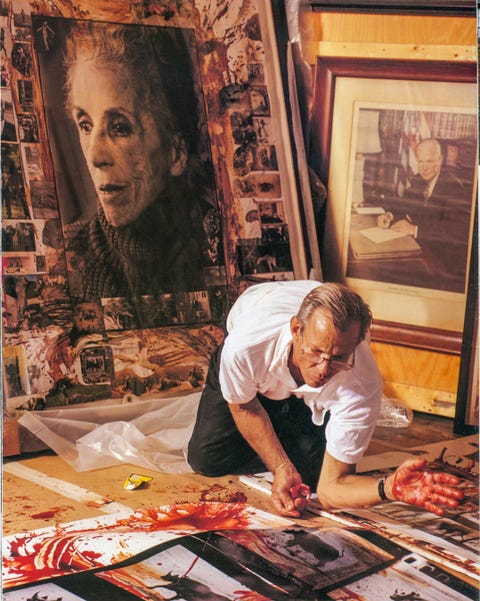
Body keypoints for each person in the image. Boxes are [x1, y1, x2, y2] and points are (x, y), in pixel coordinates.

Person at [188, 280, 464, 517]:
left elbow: (333, 489)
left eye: (339, 358)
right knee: (207, 459)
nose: (323, 370)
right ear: (296, 330)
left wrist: (389, 487)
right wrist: (281, 466)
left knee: (314, 479)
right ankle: (283, 431)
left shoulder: (361, 381)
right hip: (256, 369)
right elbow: (243, 405)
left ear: (355, 346)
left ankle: (290, 424)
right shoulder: (245, 347)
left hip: (303, 393)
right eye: (315, 352)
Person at [60, 22, 213, 322]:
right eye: (85, 125)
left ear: (176, 152)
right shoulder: (67, 261)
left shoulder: (216, 245)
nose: (94, 156)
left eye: (119, 127)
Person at [377, 138, 471, 292]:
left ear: (440, 160)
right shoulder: (418, 180)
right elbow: (403, 205)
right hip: (418, 249)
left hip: (442, 261)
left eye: (429, 161)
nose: (424, 167)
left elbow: (454, 231)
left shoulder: (455, 187)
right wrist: (389, 216)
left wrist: (415, 230)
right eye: (421, 162)